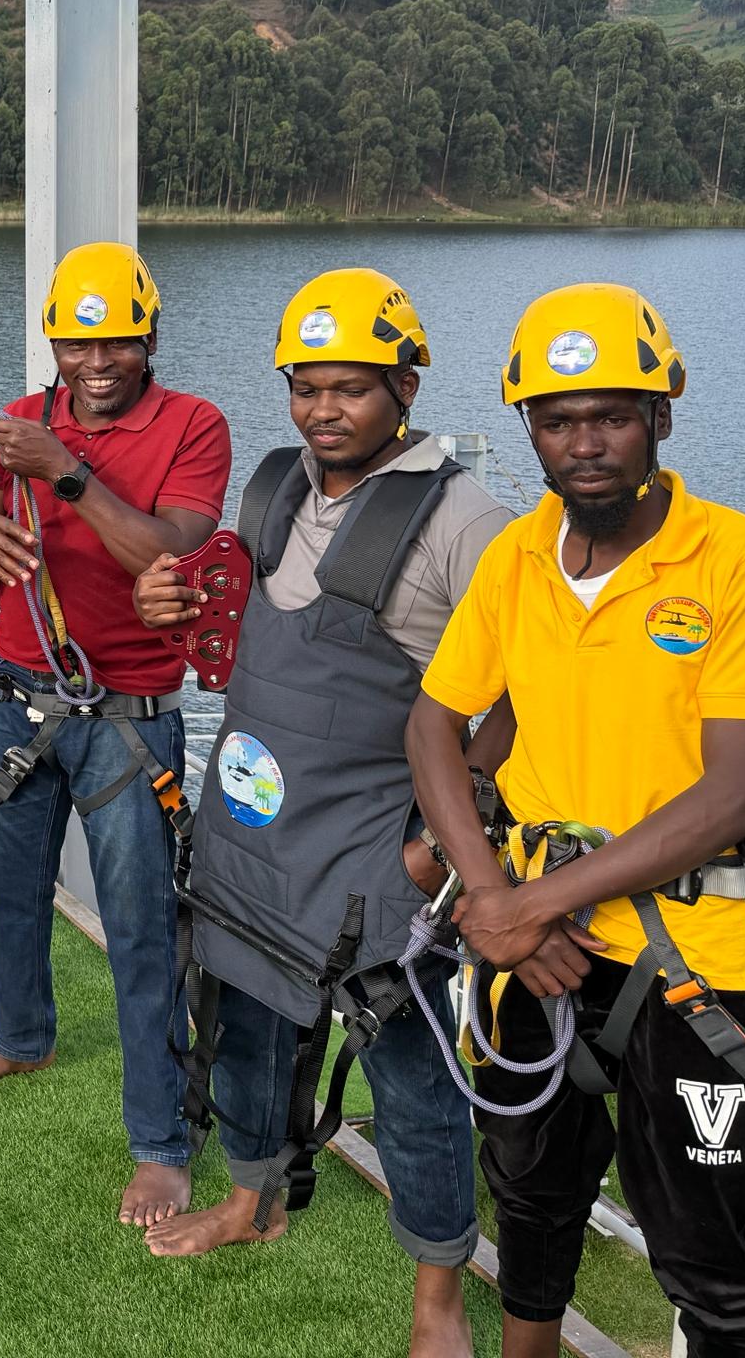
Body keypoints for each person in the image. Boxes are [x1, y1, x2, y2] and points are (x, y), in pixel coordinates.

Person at [407, 285, 745, 1358]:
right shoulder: (516, 559)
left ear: (662, 414)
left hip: (694, 967)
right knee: (531, 1201)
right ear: (528, 428)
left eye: (611, 416)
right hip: (540, 959)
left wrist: (525, 903)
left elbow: (729, 793)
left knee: (716, 1261)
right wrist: (499, 904)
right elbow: (433, 728)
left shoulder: (742, 564)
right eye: (556, 420)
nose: (583, 445)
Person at [133, 269, 514, 1358]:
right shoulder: (271, 488)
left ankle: (438, 1293)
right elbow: (224, 617)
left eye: (347, 388)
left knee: (413, 1081)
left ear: (402, 383)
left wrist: (446, 833)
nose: (321, 409)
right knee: (242, 1026)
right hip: (250, 837)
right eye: (304, 387)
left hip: (375, 858)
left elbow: (526, 700)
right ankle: (256, 1200)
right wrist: (169, 600)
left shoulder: (463, 521)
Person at [0, 241, 229, 1228]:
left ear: (147, 339)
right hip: (15, 694)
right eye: (75, 342)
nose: (95, 362)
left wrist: (65, 473)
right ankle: (21, 1034)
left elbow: (172, 559)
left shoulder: (192, 426)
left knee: (141, 929)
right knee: (8, 886)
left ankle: (160, 1143)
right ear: (54, 341)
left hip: (129, 716)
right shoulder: (16, 422)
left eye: (116, 343)